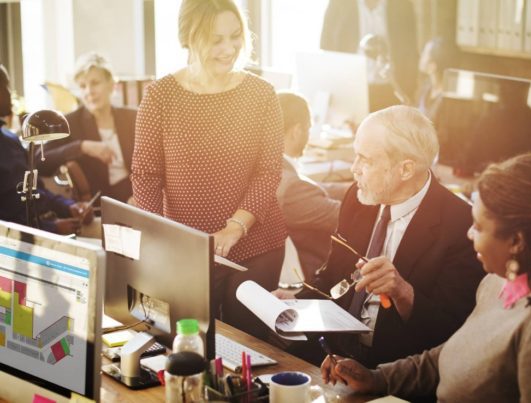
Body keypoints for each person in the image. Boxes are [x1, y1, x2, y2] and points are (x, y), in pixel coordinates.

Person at [322, 153, 531, 402]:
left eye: (478, 227)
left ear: (516, 241)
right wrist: (377, 379)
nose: (469, 234)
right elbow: (450, 355)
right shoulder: (498, 282)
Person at [131, 0, 287, 340]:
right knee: (185, 341)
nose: (229, 48)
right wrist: (160, 240)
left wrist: (234, 228)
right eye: (216, 39)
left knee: (245, 344)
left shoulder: (262, 95)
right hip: (187, 248)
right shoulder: (160, 96)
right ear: (189, 38)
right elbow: (145, 175)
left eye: (235, 37)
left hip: (254, 243)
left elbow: (269, 171)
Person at [291, 105, 483, 370]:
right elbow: (333, 275)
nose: (354, 169)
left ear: (405, 169)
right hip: (332, 354)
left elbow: (450, 330)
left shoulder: (460, 224)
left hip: (396, 367)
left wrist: (402, 292)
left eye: (365, 160)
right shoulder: (359, 199)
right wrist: (294, 300)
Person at [0, 64, 92, 234]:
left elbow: (36, 191)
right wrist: (51, 228)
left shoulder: (10, 140)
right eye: (3, 86)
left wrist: (69, 206)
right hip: (22, 240)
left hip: (46, 224)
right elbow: (5, 217)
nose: (8, 92)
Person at [36, 52, 137, 203]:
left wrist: (139, 196)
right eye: (83, 86)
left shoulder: (132, 117)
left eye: (95, 83)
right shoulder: (69, 122)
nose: (89, 91)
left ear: (111, 84)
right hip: (99, 204)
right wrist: (82, 147)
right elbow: (39, 161)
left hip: (135, 197)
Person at [276, 91, 341, 283]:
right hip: (311, 277)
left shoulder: (269, 166)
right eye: (308, 129)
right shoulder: (291, 190)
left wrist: (357, 185)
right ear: (297, 131)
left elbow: (314, 186)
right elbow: (343, 216)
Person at [320, 0, 418, 109]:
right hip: (350, 90)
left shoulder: (402, 4)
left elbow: (411, 52)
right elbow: (326, 46)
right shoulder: (339, 3)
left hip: (392, 90)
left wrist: (409, 91)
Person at [417, 37, 457, 122]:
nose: (421, 55)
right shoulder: (426, 87)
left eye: (424, 53)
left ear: (432, 66)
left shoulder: (446, 101)